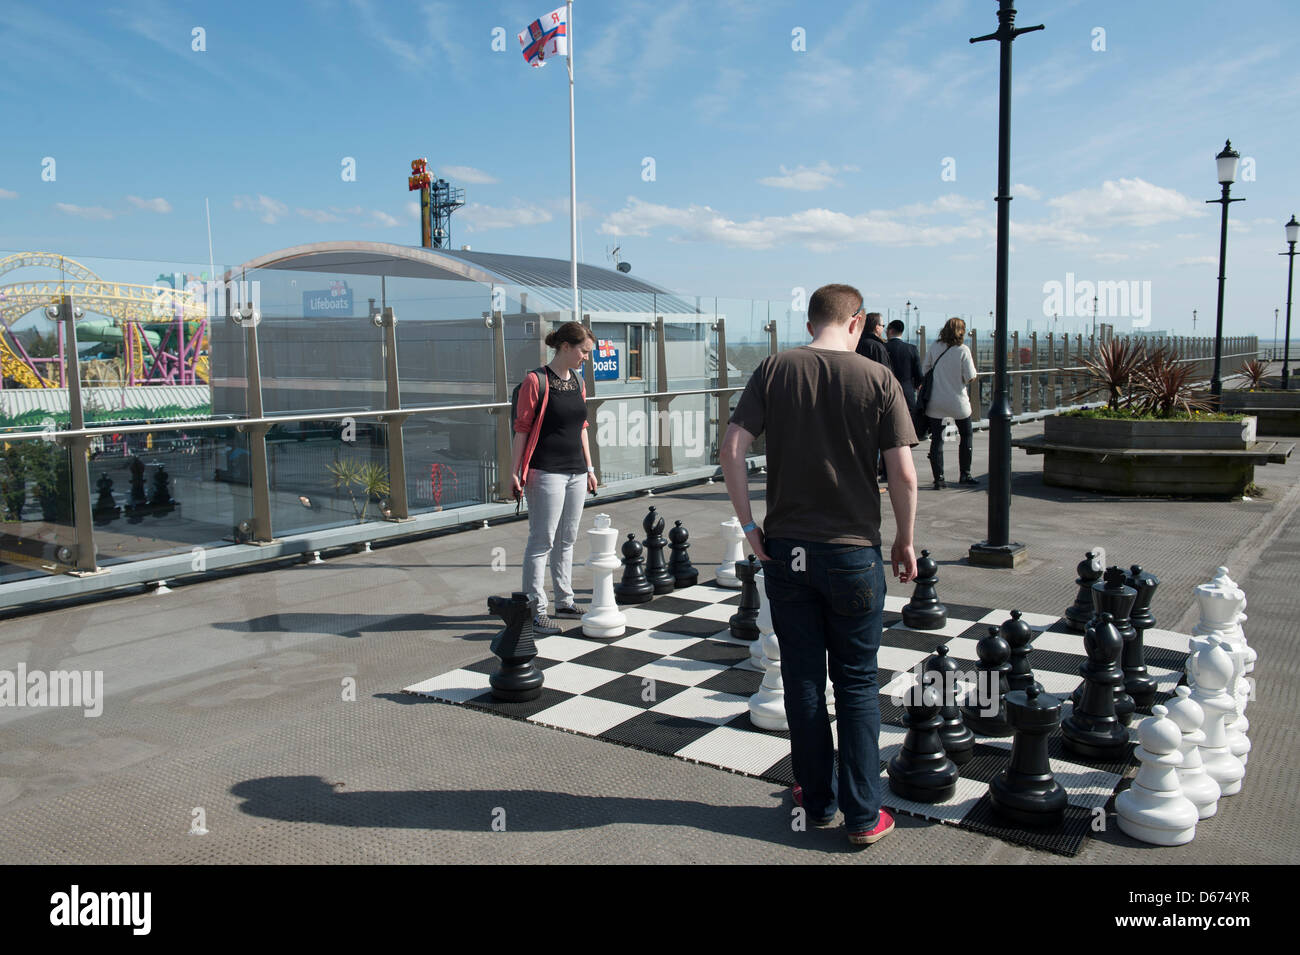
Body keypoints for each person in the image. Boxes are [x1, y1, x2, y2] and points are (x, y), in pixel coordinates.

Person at [720, 283, 919, 848]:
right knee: (855, 683)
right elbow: (903, 474)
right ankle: (862, 816)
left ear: (811, 322)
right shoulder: (877, 378)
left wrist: (749, 526)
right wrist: (905, 539)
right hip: (854, 552)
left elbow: (731, 448)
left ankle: (816, 794)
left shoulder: (775, 369)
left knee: (802, 679)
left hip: (786, 551)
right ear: (856, 321)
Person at [511, 321, 600, 635]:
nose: (586, 358)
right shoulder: (535, 381)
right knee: (541, 542)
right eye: (583, 351)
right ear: (565, 346)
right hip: (545, 471)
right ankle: (535, 610)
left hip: (576, 471)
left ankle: (564, 599)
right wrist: (515, 471)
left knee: (567, 539)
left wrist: (589, 469)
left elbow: (582, 428)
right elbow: (522, 429)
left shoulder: (577, 380)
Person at [920, 316, 979, 490]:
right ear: (961, 331)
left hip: (936, 402)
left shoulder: (935, 346)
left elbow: (925, 369)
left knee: (937, 440)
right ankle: (965, 474)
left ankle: (939, 479)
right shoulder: (963, 350)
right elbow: (970, 376)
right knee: (966, 436)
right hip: (957, 402)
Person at [881, 319, 923, 482]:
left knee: (885, 432)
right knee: (903, 433)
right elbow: (919, 375)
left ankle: (886, 470)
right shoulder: (911, 349)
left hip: (887, 392)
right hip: (906, 393)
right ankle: (904, 466)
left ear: (890, 330)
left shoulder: (883, 348)